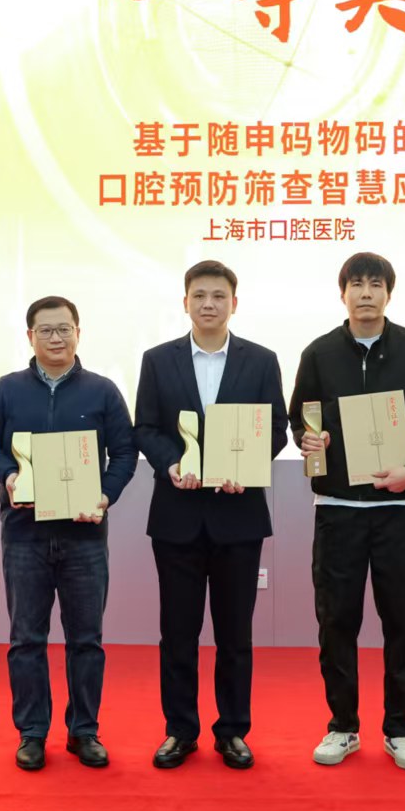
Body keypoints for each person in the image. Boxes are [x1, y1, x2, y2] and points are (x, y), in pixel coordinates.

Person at [290, 251, 405, 770]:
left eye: (376, 284)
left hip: (398, 507)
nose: (366, 293)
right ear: (342, 293)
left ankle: (401, 729)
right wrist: (309, 439)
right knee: (336, 621)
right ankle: (342, 726)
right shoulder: (319, 353)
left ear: (389, 293)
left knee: (404, 621)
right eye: (357, 284)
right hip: (337, 508)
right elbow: (300, 419)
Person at [0, 295, 138, 771]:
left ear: (78, 333)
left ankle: (84, 731)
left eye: (64, 329)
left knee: (87, 639)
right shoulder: (7, 390)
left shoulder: (103, 391)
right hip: (25, 534)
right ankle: (32, 733)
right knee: (27, 638)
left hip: (85, 537)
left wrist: (105, 495)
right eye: (46, 330)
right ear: (30, 337)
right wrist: (8, 475)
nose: (56, 338)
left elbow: (125, 452)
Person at [132, 260, 288, 771]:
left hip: (238, 516)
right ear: (185, 303)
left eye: (218, 296)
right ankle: (180, 731)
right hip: (176, 516)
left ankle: (233, 731)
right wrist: (172, 463)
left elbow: (277, 429)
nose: (208, 304)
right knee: (177, 634)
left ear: (233, 304)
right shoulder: (158, 360)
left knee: (235, 635)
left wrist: (245, 466)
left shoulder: (261, 361)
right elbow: (145, 428)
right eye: (199, 295)